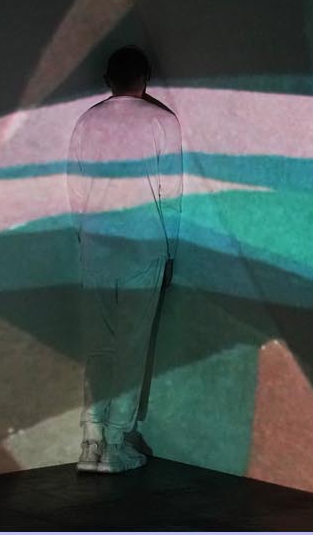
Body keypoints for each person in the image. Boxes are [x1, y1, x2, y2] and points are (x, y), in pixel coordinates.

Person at [67, 46, 182, 474]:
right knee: (131, 346)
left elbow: (76, 191)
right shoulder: (162, 121)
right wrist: (171, 252)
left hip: (96, 247)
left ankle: (90, 441)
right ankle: (115, 444)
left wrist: (84, 238)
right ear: (146, 78)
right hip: (143, 246)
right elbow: (171, 194)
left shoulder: (87, 121)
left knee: (98, 344)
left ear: (107, 80)